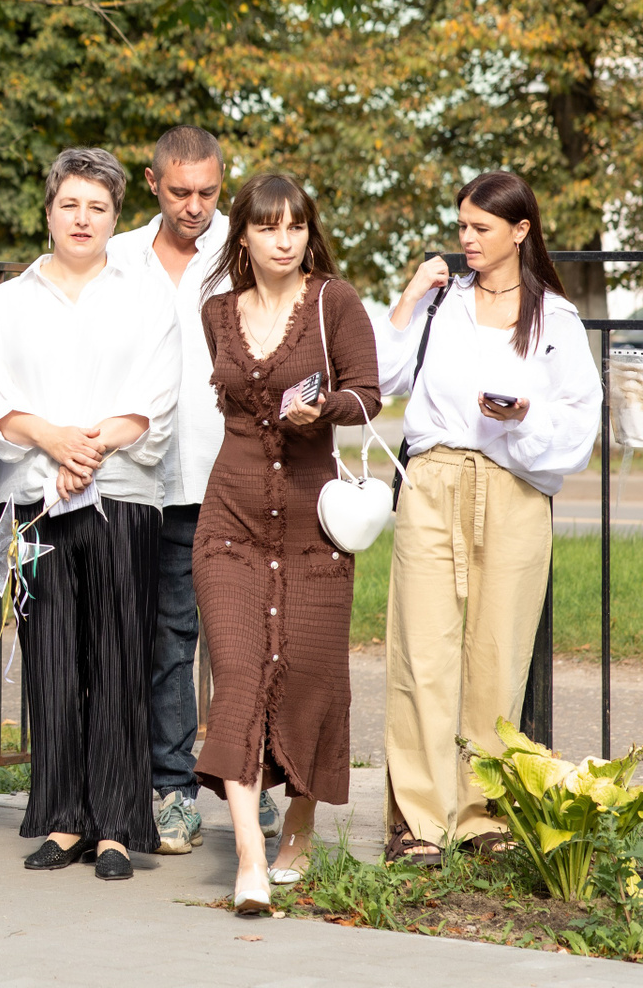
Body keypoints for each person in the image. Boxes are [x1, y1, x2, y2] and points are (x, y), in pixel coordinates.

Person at [377, 171, 599, 865]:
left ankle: (482, 816)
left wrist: (525, 417)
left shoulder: (556, 319)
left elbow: (579, 424)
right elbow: (379, 378)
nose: (466, 239)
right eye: (462, 226)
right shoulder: (442, 304)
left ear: (520, 231)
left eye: (481, 228)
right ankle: (419, 821)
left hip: (514, 487)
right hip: (433, 480)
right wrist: (411, 295)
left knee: (498, 655)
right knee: (422, 651)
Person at [0, 147, 180, 882]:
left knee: (120, 658)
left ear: (115, 217)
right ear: (49, 210)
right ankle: (63, 820)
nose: (82, 218)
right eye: (70, 204)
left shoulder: (146, 297)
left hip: (122, 496)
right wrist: (54, 441)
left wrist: (86, 449)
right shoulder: (9, 302)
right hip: (36, 506)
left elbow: (156, 399)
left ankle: (119, 825)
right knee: (52, 661)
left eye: (98, 207)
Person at [191, 171, 381, 911]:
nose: (283, 240)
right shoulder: (216, 312)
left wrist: (324, 408)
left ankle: (298, 826)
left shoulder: (335, 302)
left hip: (313, 523)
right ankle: (249, 858)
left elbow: (368, 394)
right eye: (268, 227)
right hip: (230, 521)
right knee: (238, 675)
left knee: (309, 677)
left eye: (295, 226)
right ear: (242, 235)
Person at [103, 128, 275, 852]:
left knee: (247, 641)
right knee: (169, 638)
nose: (195, 206)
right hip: (149, 478)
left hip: (234, 473)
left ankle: (252, 784)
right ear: (152, 183)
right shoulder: (117, 255)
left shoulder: (247, 247)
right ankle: (171, 790)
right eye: (180, 192)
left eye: (208, 191)